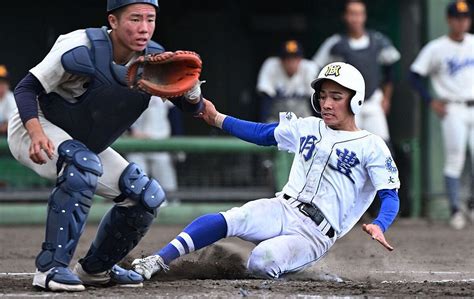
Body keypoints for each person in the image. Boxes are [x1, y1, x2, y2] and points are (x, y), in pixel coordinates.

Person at [131, 62, 401, 281]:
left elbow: (390, 195)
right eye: (323, 96)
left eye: (336, 97)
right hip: (283, 207)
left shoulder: (372, 145)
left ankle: (299, 273)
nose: (327, 104)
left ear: (356, 101)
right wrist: (216, 118)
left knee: (262, 261)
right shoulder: (308, 126)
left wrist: (380, 224)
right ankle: (157, 259)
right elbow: (263, 133)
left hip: (315, 233)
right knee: (229, 219)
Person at [7, 0, 203, 292]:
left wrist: (193, 89)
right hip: (35, 126)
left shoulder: (154, 60)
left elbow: (191, 108)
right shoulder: (79, 46)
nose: (144, 28)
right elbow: (26, 88)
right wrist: (35, 133)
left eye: (150, 19)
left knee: (146, 197)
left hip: (83, 142)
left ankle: (96, 270)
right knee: (81, 166)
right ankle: (50, 269)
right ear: (112, 21)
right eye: (135, 19)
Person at [409, 0, 474, 230]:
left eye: (465, 17)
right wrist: (430, 101)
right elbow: (414, 75)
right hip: (452, 107)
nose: (462, 21)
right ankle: (456, 210)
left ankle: (470, 205)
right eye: (457, 17)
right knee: (455, 159)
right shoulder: (437, 47)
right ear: (448, 20)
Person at [312, 0, 400, 146]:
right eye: (352, 14)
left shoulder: (378, 41)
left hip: (372, 100)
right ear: (345, 17)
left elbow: (390, 70)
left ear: (364, 16)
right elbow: (317, 68)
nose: (356, 18)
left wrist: (386, 98)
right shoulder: (336, 43)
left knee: (382, 145)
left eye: (359, 14)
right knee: (346, 145)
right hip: (346, 104)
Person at [127, 96, 179, 201]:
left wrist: (177, 150)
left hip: (161, 145)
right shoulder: (130, 89)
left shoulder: (167, 89)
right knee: (134, 189)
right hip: (136, 146)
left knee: (168, 189)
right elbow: (121, 113)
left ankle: (172, 212)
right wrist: (131, 131)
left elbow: (175, 120)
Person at [257, 40, 318, 122]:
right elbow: (265, 100)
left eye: (295, 58)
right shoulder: (271, 66)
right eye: (287, 58)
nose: (291, 62)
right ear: (281, 60)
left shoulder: (309, 68)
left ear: (300, 59)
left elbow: (316, 100)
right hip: (277, 120)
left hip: (303, 120)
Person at [0, 65, 16, 136]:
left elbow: (13, 123)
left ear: (8, 85)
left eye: (3, 83)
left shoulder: (11, 99)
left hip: (6, 136)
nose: (1, 86)